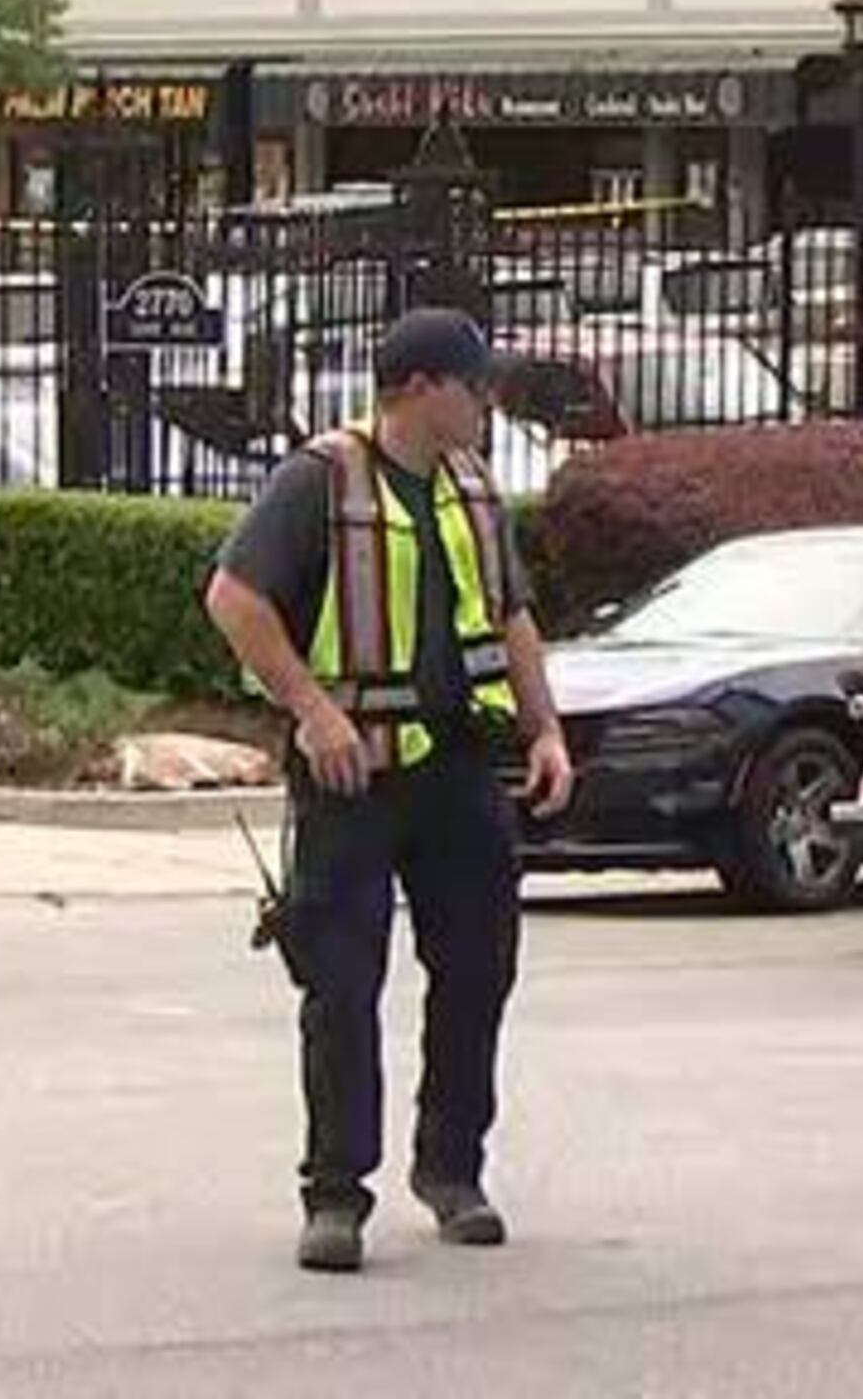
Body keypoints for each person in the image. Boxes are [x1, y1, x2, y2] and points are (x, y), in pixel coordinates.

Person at [202, 310, 575, 1276]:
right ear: (418, 387)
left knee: (477, 970)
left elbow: (512, 613)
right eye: (473, 383)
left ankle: (452, 1171)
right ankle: (336, 1194)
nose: (488, 400)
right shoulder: (318, 481)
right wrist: (316, 713)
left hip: (458, 766)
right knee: (341, 983)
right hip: (353, 773)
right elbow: (233, 601)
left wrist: (546, 729)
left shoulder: (473, 489)